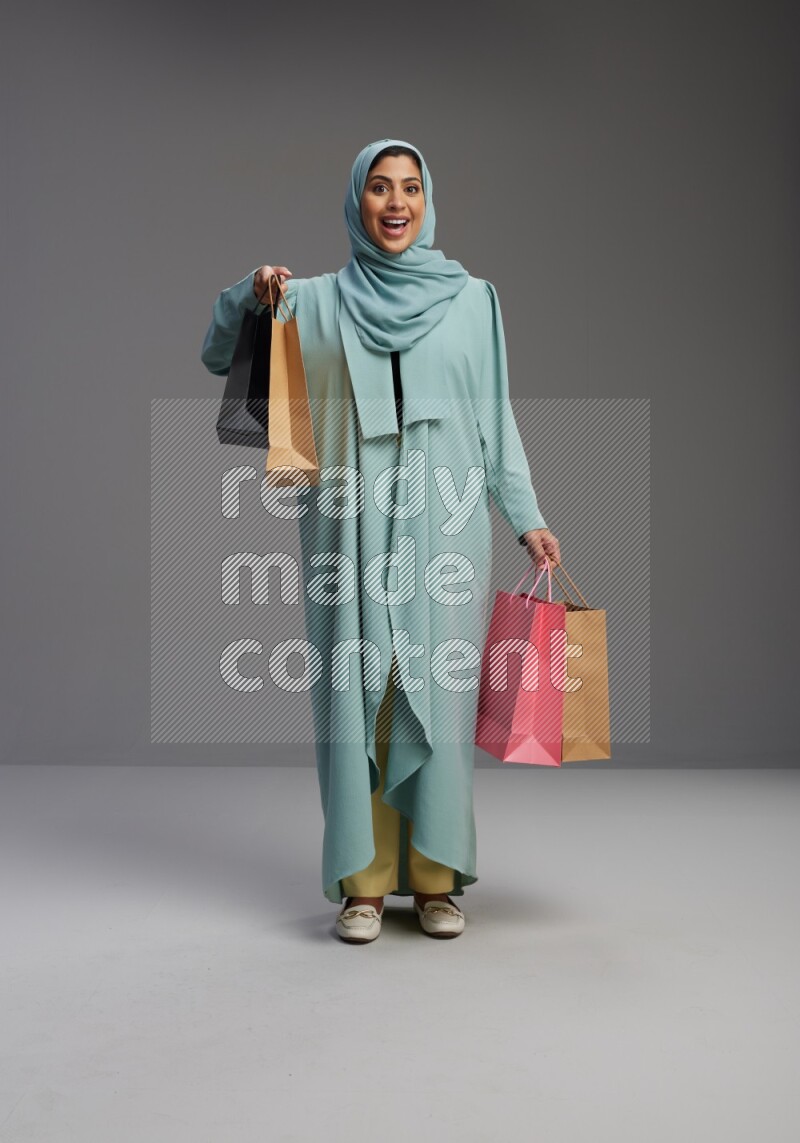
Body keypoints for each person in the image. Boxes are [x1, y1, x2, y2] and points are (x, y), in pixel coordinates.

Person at [201, 138, 561, 944]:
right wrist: (252, 293)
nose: (395, 203)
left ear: (427, 200)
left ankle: (434, 877)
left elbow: (495, 422)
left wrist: (527, 515)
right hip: (345, 523)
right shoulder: (310, 299)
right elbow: (219, 348)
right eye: (377, 188)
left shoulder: (475, 301)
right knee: (354, 698)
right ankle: (362, 884)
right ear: (355, 203)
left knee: (430, 692)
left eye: (408, 188)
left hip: (447, 523)